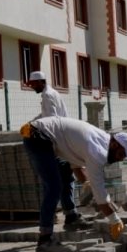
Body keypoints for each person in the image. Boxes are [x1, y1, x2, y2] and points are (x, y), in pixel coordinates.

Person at [20, 115, 127, 252]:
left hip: (44, 136)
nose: (120, 159)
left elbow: (75, 159)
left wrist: (85, 181)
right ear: (115, 144)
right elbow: (99, 192)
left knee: (64, 177)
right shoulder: (98, 151)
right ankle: (45, 241)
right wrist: (114, 219)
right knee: (54, 187)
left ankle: (71, 218)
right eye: (121, 154)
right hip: (38, 137)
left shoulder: (101, 139)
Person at [28, 70, 80, 226]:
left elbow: (51, 120)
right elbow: (46, 115)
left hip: (57, 141)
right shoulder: (51, 93)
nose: (32, 87)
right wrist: (33, 121)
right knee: (65, 180)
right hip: (61, 139)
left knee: (58, 183)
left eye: (33, 84)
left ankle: (55, 222)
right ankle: (71, 215)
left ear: (41, 82)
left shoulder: (48, 96)